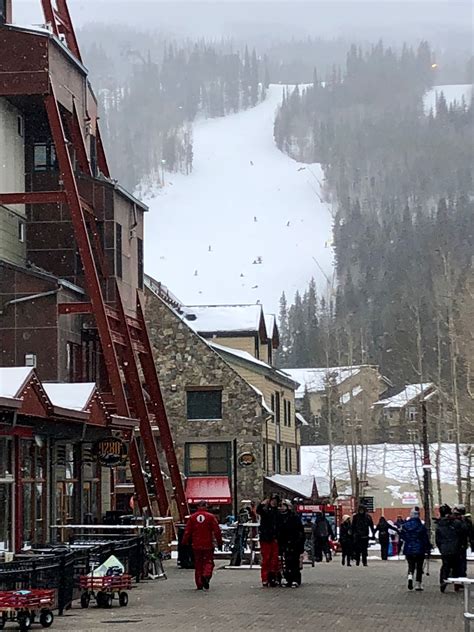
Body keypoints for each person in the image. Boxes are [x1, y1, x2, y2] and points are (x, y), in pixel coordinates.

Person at [182, 500, 223, 591]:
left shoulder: (192, 518)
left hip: (196, 544)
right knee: (208, 562)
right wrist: (219, 542)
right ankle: (206, 575)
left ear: (197, 507)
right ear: (206, 506)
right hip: (208, 543)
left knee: (198, 564)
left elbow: (187, 531)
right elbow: (217, 531)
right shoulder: (211, 517)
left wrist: (184, 542)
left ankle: (199, 583)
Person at [436, 504, 468, 592]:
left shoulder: (440, 524)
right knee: (457, 566)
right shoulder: (456, 523)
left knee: (445, 565)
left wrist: (441, 548)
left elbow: (437, 539)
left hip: (445, 549)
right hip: (455, 548)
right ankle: (457, 584)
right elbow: (464, 530)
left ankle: (443, 581)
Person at [400, 507, 431, 591]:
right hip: (419, 549)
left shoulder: (405, 526)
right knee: (419, 567)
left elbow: (402, 536)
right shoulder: (421, 526)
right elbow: (425, 539)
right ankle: (418, 584)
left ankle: (410, 578)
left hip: (409, 549)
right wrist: (428, 548)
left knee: (411, 566)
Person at [277, 499, 305, 587]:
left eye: (283, 506)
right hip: (284, 542)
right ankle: (287, 579)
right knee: (286, 562)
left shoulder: (294, 517)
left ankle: (295, 579)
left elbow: (300, 531)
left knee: (294, 561)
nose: (281, 508)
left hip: (294, 542)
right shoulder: (279, 517)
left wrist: (299, 543)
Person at [257, 494, 281, 587]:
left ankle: (272, 577)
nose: (274, 502)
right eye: (272, 500)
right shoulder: (266, 511)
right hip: (266, 538)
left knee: (274, 559)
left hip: (274, 538)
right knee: (266, 559)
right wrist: (262, 504)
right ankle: (266, 578)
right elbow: (259, 511)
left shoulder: (277, 513)